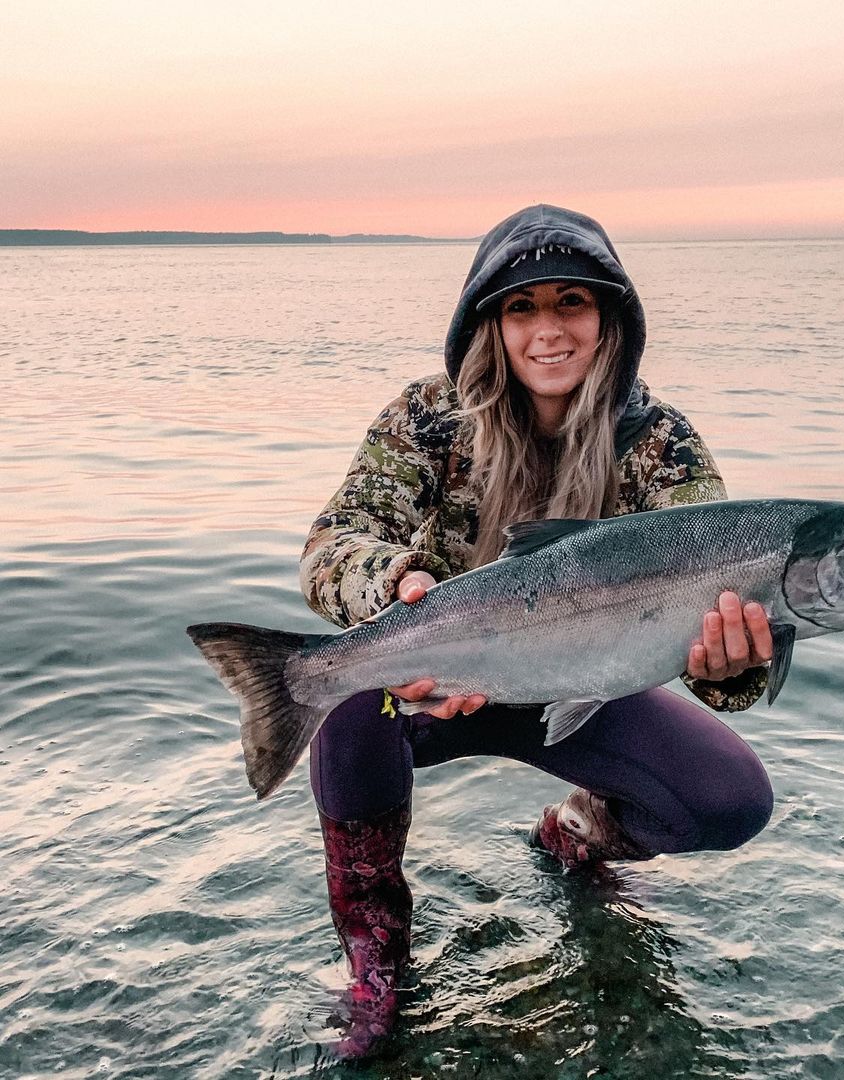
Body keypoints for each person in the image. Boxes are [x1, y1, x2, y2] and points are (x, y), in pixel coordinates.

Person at [299, 204, 774, 1057]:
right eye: (522, 307)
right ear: (490, 322)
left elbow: (722, 661)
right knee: (344, 698)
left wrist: (732, 662)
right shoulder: (426, 418)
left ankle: (578, 834)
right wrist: (397, 588)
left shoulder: (659, 443)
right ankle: (376, 957)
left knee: (731, 798)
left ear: (610, 320)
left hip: (582, 693)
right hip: (434, 683)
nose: (547, 330)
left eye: (572, 303)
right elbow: (337, 541)